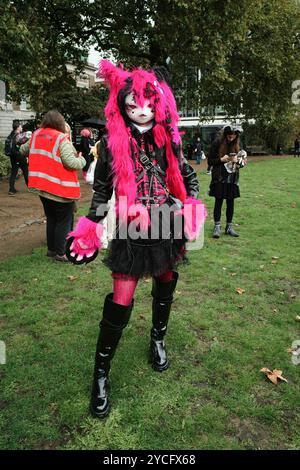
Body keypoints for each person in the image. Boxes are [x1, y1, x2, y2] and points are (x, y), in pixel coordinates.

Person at [66, 60, 207, 419]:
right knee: (121, 298)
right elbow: (101, 192)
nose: (142, 112)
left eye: (147, 105)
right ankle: (100, 374)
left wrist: (190, 204)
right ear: (123, 104)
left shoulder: (167, 136)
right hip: (131, 226)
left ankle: (157, 339)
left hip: (164, 222)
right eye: (134, 106)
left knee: (166, 282)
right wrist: (89, 231)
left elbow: (186, 174)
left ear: (156, 103)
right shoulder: (112, 141)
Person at [20, 110, 86, 261]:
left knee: (51, 219)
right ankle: (61, 253)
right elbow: (72, 163)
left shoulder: (36, 134)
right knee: (64, 221)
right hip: (60, 188)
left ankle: (51, 250)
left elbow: (23, 150)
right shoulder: (61, 139)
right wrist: (82, 160)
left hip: (42, 187)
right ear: (60, 123)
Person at [208, 125, 247, 238]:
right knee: (219, 201)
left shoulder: (238, 144)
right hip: (219, 177)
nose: (231, 138)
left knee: (230, 202)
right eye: (229, 136)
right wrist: (221, 160)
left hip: (233, 177)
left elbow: (242, 161)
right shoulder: (217, 143)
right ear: (226, 135)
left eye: (233, 137)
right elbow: (210, 161)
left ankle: (229, 227)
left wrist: (240, 161)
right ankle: (217, 227)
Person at [5, 121, 29, 196]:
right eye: (21, 127)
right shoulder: (18, 135)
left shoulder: (11, 135)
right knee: (25, 170)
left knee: (14, 172)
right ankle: (30, 187)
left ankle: (11, 189)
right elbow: (23, 145)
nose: (21, 128)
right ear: (18, 128)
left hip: (12, 156)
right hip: (19, 155)